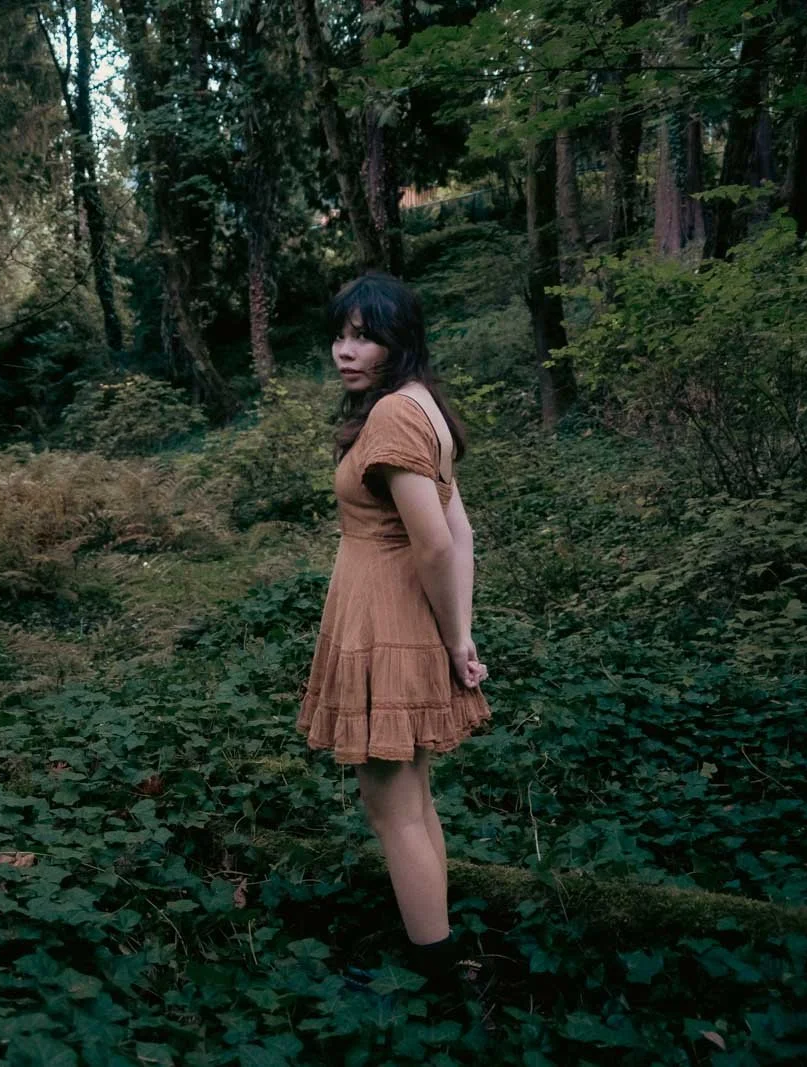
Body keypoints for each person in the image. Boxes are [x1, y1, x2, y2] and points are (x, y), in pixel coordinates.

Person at [296, 271, 490, 991]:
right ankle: (440, 945)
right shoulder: (422, 404)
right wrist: (458, 633)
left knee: (393, 810)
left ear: (398, 341)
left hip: (386, 620)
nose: (345, 352)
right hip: (402, 617)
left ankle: (437, 974)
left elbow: (438, 543)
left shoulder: (393, 416)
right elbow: (461, 534)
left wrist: (454, 635)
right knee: (413, 800)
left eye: (365, 337)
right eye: (340, 336)